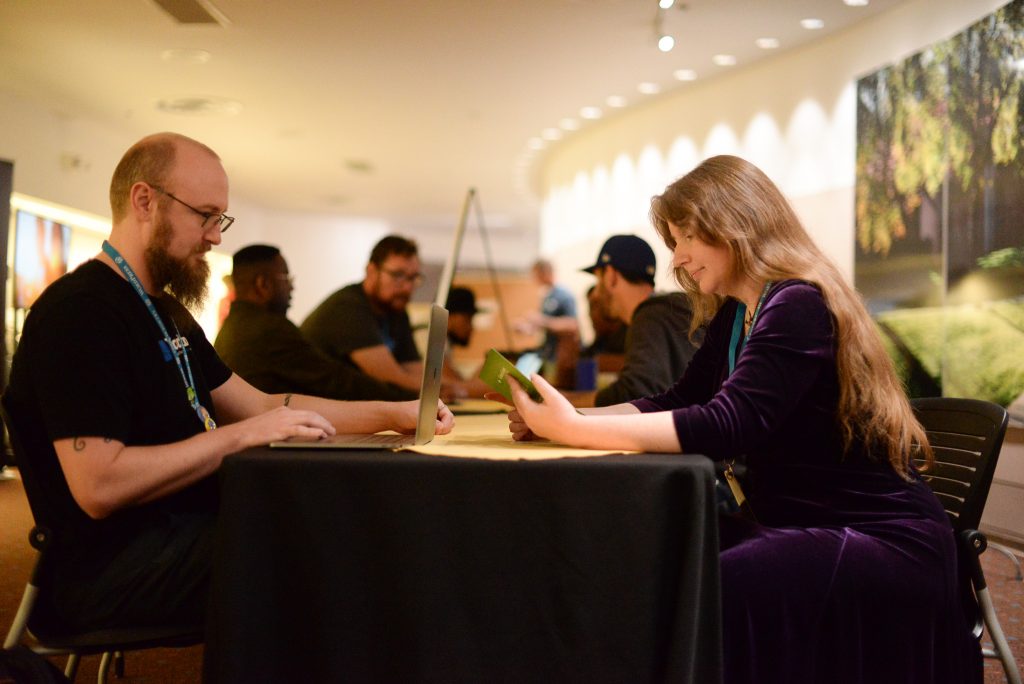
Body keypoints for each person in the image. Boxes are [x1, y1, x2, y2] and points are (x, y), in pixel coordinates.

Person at [494, 155, 981, 683]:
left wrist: (575, 429)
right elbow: (678, 398)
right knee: (664, 551)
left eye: (684, 239)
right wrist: (569, 417)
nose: (676, 258)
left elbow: (730, 423)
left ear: (733, 226)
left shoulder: (798, 301)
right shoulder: (738, 310)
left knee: (713, 581)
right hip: (804, 525)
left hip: (876, 540)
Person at [3, 133, 453, 634]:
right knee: (340, 553)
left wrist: (394, 415)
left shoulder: (165, 311)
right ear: (145, 201)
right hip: (109, 569)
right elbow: (98, 485)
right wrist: (239, 436)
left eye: (222, 219)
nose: (217, 236)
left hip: (180, 532)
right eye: (206, 215)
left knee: (343, 520)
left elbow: (262, 405)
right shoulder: (80, 312)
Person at [214, 244, 414, 401]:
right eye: (287, 279)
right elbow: (337, 381)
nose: (292, 288)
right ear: (263, 284)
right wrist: (408, 402)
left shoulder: (235, 327)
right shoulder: (268, 329)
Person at [580, 234, 700, 407]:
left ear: (611, 276)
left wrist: (565, 403)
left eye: (599, 280)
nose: (596, 294)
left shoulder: (649, 316)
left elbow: (636, 395)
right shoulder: (672, 309)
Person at [300, 235, 427, 395]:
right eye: (398, 275)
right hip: (313, 409)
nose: (407, 287)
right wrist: (448, 389)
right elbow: (392, 378)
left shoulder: (395, 310)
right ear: (371, 271)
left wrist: (443, 388)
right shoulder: (347, 307)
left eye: (413, 278)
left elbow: (417, 375)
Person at [516, 258, 578, 364]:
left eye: (535, 275)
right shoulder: (547, 296)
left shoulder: (564, 295)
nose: (534, 279)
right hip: (549, 352)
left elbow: (572, 324)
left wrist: (542, 320)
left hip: (563, 356)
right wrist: (527, 328)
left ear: (544, 273)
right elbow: (544, 324)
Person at [583, 284, 626, 357]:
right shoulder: (597, 345)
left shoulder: (630, 344)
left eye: (594, 306)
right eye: (590, 307)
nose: (590, 314)